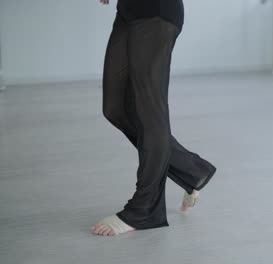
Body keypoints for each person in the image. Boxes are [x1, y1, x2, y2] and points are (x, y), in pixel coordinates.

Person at [91, 0, 217, 236]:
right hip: (128, 11)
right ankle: (191, 169)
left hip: (157, 12)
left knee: (150, 112)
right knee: (115, 108)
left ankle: (145, 209)